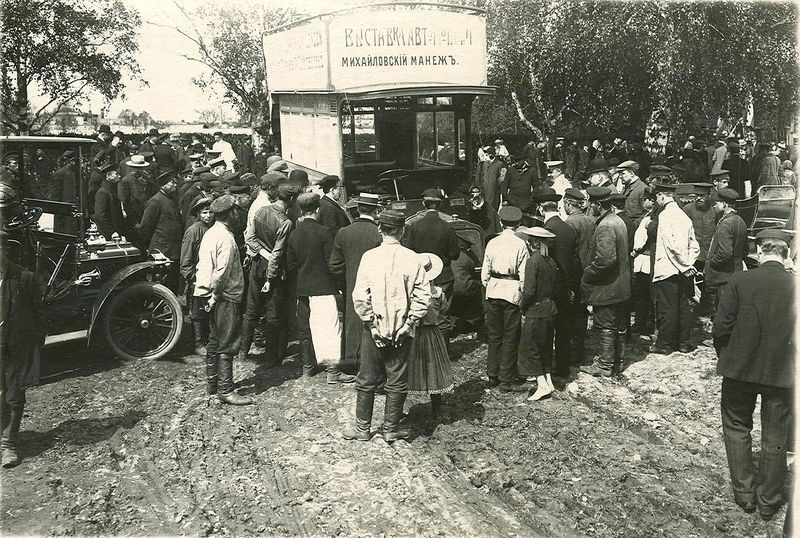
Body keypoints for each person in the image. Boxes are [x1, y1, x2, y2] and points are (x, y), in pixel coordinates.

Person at [713, 229, 795, 521]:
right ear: (787, 254)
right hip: (782, 374)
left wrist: (727, 355)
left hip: (740, 369)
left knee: (736, 426)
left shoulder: (739, 279)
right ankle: (769, 501)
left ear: (759, 252)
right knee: (776, 435)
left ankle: (744, 494)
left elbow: (722, 325)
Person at [342, 210, 430, 442]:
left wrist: (371, 324)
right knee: (397, 378)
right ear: (402, 231)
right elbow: (423, 297)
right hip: (403, 329)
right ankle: (390, 428)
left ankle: (362, 430)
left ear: (381, 230)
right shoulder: (413, 258)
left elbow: (360, 296)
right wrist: (409, 323)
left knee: (367, 377)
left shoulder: (369, 257)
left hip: (374, 330)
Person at [287, 193, 355, 384]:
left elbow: (291, 265)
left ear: (301, 211)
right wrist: (339, 283)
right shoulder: (325, 233)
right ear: (317, 210)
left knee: (305, 328)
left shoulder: (294, 234)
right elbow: (332, 263)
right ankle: (333, 371)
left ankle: (307, 367)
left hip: (302, 289)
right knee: (330, 328)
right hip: (323, 287)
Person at [193, 195, 252, 405]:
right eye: (236, 211)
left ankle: (213, 383)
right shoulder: (226, 238)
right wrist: (216, 295)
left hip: (207, 294)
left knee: (214, 340)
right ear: (230, 214)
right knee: (227, 343)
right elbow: (222, 272)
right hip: (224, 296)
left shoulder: (212, 233)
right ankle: (225, 390)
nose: (238, 214)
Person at [239, 182, 301, 363]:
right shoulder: (286, 222)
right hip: (273, 271)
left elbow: (249, 238)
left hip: (256, 265)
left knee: (251, 311)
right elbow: (277, 253)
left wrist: (261, 252)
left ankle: (243, 352)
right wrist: (271, 277)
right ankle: (272, 358)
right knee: (274, 315)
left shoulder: (261, 211)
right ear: (290, 199)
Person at [580, 187, 631, 377]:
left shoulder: (605, 226)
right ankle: (617, 361)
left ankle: (604, 365)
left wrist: (588, 272)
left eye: (591, 203)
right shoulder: (617, 220)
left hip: (608, 287)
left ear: (597, 205)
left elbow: (606, 259)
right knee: (618, 325)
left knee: (606, 325)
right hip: (620, 286)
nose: (589, 207)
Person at [328, 193, 383, 370]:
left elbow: (335, 265)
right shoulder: (379, 233)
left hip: (351, 284)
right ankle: (374, 363)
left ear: (358, 209)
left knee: (352, 322)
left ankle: (351, 363)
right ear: (376, 211)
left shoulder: (344, 232)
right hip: (377, 285)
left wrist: (346, 280)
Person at [481, 206, 530, 391]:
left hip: (494, 289)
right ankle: (506, 378)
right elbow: (524, 273)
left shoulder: (492, 242)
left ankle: (492, 374)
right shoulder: (520, 244)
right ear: (518, 225)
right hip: (511, 291)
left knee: (494, 334)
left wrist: (489, 285)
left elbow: (485, 271)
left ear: (501, 223)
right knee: (510, 335)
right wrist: (522, 293)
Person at [403, 188, 460, 345]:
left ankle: (424, 349)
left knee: (420, 311)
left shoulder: (414, 227)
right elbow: (455, 254)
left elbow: (408, 252)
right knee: (443, 314)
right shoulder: (448, 227)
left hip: (421, 276)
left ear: (423, 204)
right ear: (440, 205)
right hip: (444, 276)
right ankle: (443, 351)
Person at [649, 182, 700, 354]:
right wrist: (689, 263)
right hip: (684, 269)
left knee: (667, 309)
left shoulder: (665, 216)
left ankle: (664, 345)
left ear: (662, 196)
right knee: (683, 308)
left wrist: (683, 265)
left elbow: (672, 245)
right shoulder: (684, 216)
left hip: (669, 269)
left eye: (657, 197)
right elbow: (695, 245)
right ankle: (683, 343)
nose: (657, 200)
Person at [406, 253, 454, 420]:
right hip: (432, 333)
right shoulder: (438, 293)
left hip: (413, 333)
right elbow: (444, 310)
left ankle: (399, 408)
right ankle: (436, 409)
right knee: (435, 369)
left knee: (409, 368)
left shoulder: (411, 294)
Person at [534, 188, 576, 378]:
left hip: (549, 289)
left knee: (546, 330)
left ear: (540, 209)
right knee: (564, 329)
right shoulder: (568, 228)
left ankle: (546, 369)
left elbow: (544, 263)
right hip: (566, 287)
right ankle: (563, 367)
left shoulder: (546, 231)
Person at [516, 226, 558, 401]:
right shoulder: (550, 261)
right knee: (545, 347)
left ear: (532, 243)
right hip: (550, 309)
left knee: (530, 349)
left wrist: (522, 306)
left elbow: (529, 291)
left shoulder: (533, 261)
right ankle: (548, 380)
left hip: (536, 310)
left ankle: (541, 385)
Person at [563, 187, 595, 365]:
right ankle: (580, 349)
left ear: (568, 204)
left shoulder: (570, 223)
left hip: (575, 273)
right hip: (588, 272)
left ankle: (572, 353)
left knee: (570, 314)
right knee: (581, 313)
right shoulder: (590, 221)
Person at [704, 188, 749, 317]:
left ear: (724, 204)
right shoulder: (740, 221)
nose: (714, 206)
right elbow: (745, 250)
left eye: (716, 203)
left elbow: (724, 253)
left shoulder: (726, 224)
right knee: (732, 310)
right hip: (735, 273)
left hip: (723, 276)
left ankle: (723, 337)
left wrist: (711, 262)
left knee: (723, 312)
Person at [180, 197, 214, 356]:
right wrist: (193, 278)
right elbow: (185, 261)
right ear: (199, 215)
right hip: (198, 278)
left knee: (210, 310)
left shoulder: (213, 228)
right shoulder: (194, 231)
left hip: (211, 276)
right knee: (197, 313)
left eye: (210, 212)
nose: (208, 216)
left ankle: (209, 340)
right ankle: (198, 343)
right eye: (205, 213)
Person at [682, 182, 717, 315]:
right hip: (692, 254)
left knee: (707, 283)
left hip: (709, 254)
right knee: (688, 281)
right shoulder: (688, 209)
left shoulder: (714, 211)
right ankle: (687, 308)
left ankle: (704, 308)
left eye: (702, 195)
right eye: (696, 195)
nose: (698, 198)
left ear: (708, 196)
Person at [139, 172, 183, 263]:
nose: (175, 185)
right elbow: (146, 227)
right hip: (162, 249)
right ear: (163, 186)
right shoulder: (155, 201)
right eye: (172, 182)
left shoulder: (172, 199)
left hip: (174, 249)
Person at [630, 188, 656, 335]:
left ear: (652, 201)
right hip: (644, 261)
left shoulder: (649, 218)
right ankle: (644, 323)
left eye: (645, 199)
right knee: (644, 296)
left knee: (643, 296)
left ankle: (643, 324)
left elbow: (642, 240)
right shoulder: (647, 215)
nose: (643, 201)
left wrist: (635, 251)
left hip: (645, 260)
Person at [92, 163, 124, 241]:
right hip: (108, 235)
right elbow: (100, 216)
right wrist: (111, 232)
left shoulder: (110, 190)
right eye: (116, 174)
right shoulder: (103, 192)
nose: (119, 176)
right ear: (108, 176)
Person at [618, 160, 648, 226]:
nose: (620, 176)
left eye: (622, 173)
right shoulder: (626, 187)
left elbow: (646, 213)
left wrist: (633, 226)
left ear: (631, 174)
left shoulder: (642, 189)